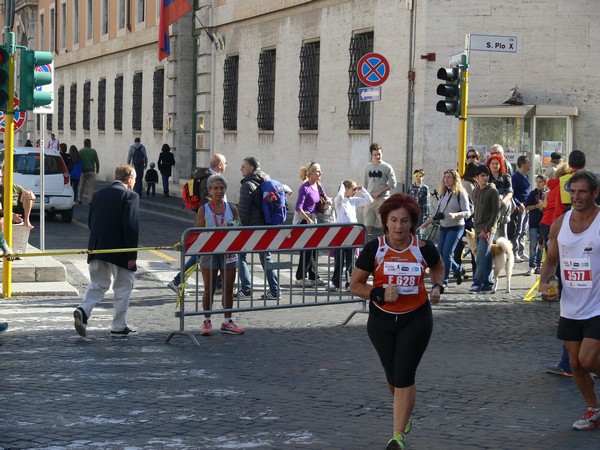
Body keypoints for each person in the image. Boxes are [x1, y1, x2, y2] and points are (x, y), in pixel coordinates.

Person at [349, 193, 444, 450]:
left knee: (404, 374)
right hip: (381, 320)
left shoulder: (424, 248)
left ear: (412, 223)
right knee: (392, 375)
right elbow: (354, 285)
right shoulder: (375, 248)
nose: (399, 226)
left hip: (416, 319)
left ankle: (397, 436)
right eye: (394, 220)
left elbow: (438, 266)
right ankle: (405, 410)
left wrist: (437, 286)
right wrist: (379, 293)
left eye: (404, 221)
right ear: (385, 222)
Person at [540, 170, 600, 431]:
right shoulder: (560, 223)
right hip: (571, 305)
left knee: (587, 360)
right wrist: (545, 283)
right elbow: (551, 260)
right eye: (572, 192)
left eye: (582, 191)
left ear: (595, 193)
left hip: (598, 304)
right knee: (574, 364)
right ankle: (594, 409)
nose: (576, 197)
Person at [73, 164, 140, 338]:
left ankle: (83, 309)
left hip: (96, 246)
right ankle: (118, 326)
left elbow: (90, 221)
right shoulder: (130, 196)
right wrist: (132, 255)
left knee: (98, 284)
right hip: (120, 250)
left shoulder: (98, 195)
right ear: (130, 178)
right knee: (123, 287)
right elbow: (131, 228)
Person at [167, 153, 228, 293]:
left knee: (217, 252)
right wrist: (216, 219)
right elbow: (207, 201)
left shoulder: (207, 177)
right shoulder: (211, 179)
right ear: (220, 165)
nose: (226, 165)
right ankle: (178, 280)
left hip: (211, 221)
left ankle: (218, 283)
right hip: (210, 223)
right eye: (225, 163)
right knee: (202, 253)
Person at [195, 174, 245, 336]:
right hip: (209, 253)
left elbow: (240, 225)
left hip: (229, 252)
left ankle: (227, 321)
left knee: (228, 288)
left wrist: (232, 224)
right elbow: (196, 232)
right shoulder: (204, 209)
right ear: (209, 190)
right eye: (215, 188)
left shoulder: (231, 208)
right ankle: (207, 321)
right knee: (209, 288)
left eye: (221, 188)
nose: (219, 191)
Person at [236, 156, 280, 300]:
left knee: (240, 255)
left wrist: (236, 226)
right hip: (265, 225)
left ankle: (246, 289)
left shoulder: (247, 185)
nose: (241, 169)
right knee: (266, 257)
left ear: (251, 169)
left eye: (243, 166)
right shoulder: (264, 181)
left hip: (250, 227)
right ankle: (274, 290)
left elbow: (243, 210)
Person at [419, 169, 471, 288]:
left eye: (449, 177)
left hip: (456, 226)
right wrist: (426, 223)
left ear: (455, 179)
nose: (446, 179)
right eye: (445, 177)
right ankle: (458, 269)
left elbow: (468, 212)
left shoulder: (460, 193)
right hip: (444, 226)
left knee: (447, 253)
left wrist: (457, 215)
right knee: (441, 254)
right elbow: (438, 213)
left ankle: (444, 280)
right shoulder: (443, 193)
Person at [328, 179, 373, 291]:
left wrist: (362, 189)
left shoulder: (353, 200)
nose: (355, 191)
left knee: (350, 260)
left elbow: (369, 200)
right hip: (340, 233)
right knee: (339, 259)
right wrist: (342, 185)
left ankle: (349, 283)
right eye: (353, 189)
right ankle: (335, 282)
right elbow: (339, 195)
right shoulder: (339, 200)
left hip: (352, 233)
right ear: (346, 189)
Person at [294, 161, 329, 286]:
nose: (321, 173)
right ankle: (300, 277)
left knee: (314, 250)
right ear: (311, 173)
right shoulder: (305, 187)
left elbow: (325, 197)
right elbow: (298, 207)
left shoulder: (318, 185)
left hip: (314, 219)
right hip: (305, 220)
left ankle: (313, 276)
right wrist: (307, 219)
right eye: (318, 171)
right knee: (307, 250)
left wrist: (327, 202)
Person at [469, 164, 501, 293]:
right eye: (482, 175)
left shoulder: (493, 191)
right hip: (477, 228)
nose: (485, 178)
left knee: (481, 256)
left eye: (486, 175)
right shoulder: (475, 191)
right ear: (477, 177)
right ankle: (488, 282)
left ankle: (477, 282)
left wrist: (487, 229)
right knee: (486, 256)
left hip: (488, 229)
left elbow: (496, 212)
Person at [364, 143, 397, 236]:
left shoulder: (387, 167)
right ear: (371, 155)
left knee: (384, 225)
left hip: (382, 200)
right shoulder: (368, 166)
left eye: (379, 154)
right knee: (368, 225)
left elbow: (393, 184)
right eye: (375, 154)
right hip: (370, 199)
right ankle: (367, 248)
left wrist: (380, 191)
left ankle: (386, 246)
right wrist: (364, 199)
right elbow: (366, 183)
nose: (377, 156)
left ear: (382, 153)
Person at [486, 152, 513, 240]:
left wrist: (502, 202)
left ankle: (495, 221)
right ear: (489, 165)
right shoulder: (486, 178)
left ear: (500, 165)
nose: (495, 166)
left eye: (497, 163)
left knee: (503, 235)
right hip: (490, 207)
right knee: (490, 234)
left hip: (504, 207)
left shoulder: (506, 177)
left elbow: (510, 192)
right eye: (492, 163)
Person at [524, 174, 546, 275]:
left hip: (544, 223)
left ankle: (539, 265)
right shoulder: (533, 193)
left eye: (540, 181)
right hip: (534, 222)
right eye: (537, 181)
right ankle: (531, 266)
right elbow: (526, 206)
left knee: (541, 246)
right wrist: (537, 206)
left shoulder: (548, 193)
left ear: (545, 183)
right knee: (533, 245)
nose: (538, 183)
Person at [511, 155, 531, 261]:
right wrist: (519, 204)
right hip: (520, 208)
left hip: (527, 207)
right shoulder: (515, 177)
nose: (530, 164)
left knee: (524, 230)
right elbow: (512, 194)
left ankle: (521, 251)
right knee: (517, 230)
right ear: (522, 164)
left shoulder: (526, 177)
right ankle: (515, 252)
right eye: (528, 162)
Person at [408, 169, 429, 238]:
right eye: (416, 175)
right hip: (411, 212)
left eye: (420, 176)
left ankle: (418, 246)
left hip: (420, 213)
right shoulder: (411, 187)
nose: (418, 177)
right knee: (410, 230)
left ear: (423, 177)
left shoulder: (425, 188)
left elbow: (427, 202)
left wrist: (426, 215)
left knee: (418, 232)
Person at [78, 138, 100, 205]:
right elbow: (97, 161)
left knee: (81, 185)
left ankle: (79, 199)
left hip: (83, 170)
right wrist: (97, 168)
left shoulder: (80, 151)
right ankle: (90, 200)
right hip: (91, 170)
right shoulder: (93, 151)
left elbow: (79, 161)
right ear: (89, 144)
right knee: (91, 186)